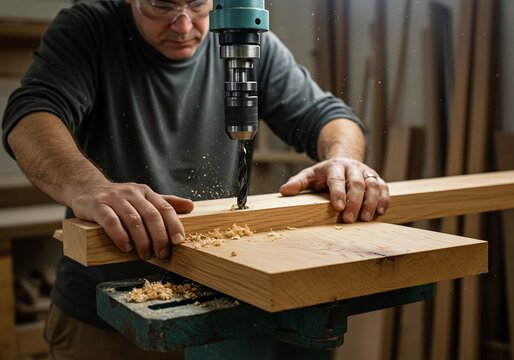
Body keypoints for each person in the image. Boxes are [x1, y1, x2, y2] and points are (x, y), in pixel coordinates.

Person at [2, 0, 389, 358]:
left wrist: (343, 158)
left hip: (221, 306)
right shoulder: (89, 28)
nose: (184, 24)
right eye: (162, 5)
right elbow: (31, 115)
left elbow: (327, 116)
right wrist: (88, 186)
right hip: (103, 319)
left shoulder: (248, 39)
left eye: (198, 4)